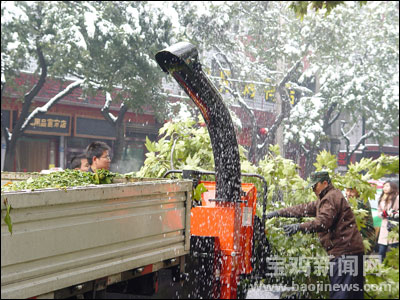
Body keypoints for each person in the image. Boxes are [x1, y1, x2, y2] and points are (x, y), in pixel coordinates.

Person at [266, 171, 365, 299]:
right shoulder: (326, 198)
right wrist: (279, 212)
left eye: (314, 186)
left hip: (344, 253)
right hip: (351, 251)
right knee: (353, 293)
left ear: (325, 183)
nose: (313, 189)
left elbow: (323, 222)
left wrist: (299, 227)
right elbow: (304, 208)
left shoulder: (330, 198)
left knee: (341, 293)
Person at [346, 187, 376, 255]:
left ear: (359, 192)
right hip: (357, 240)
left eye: (352, 191)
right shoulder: (351, 200)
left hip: (364, 241)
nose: (348, 193)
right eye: (347, 190)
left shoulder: (361, 202)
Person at [377, 181, 399, 262]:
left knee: (394, 251)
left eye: (387, 186)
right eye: (384, 186)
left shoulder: (397, 198)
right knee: (381, 251)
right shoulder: (381, 198)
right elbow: (378, 212)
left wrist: (393, 213)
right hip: (384, 227)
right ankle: (380, 269)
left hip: (394, 227)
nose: (384, 188)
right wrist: (383, 214)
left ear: (392, 187)